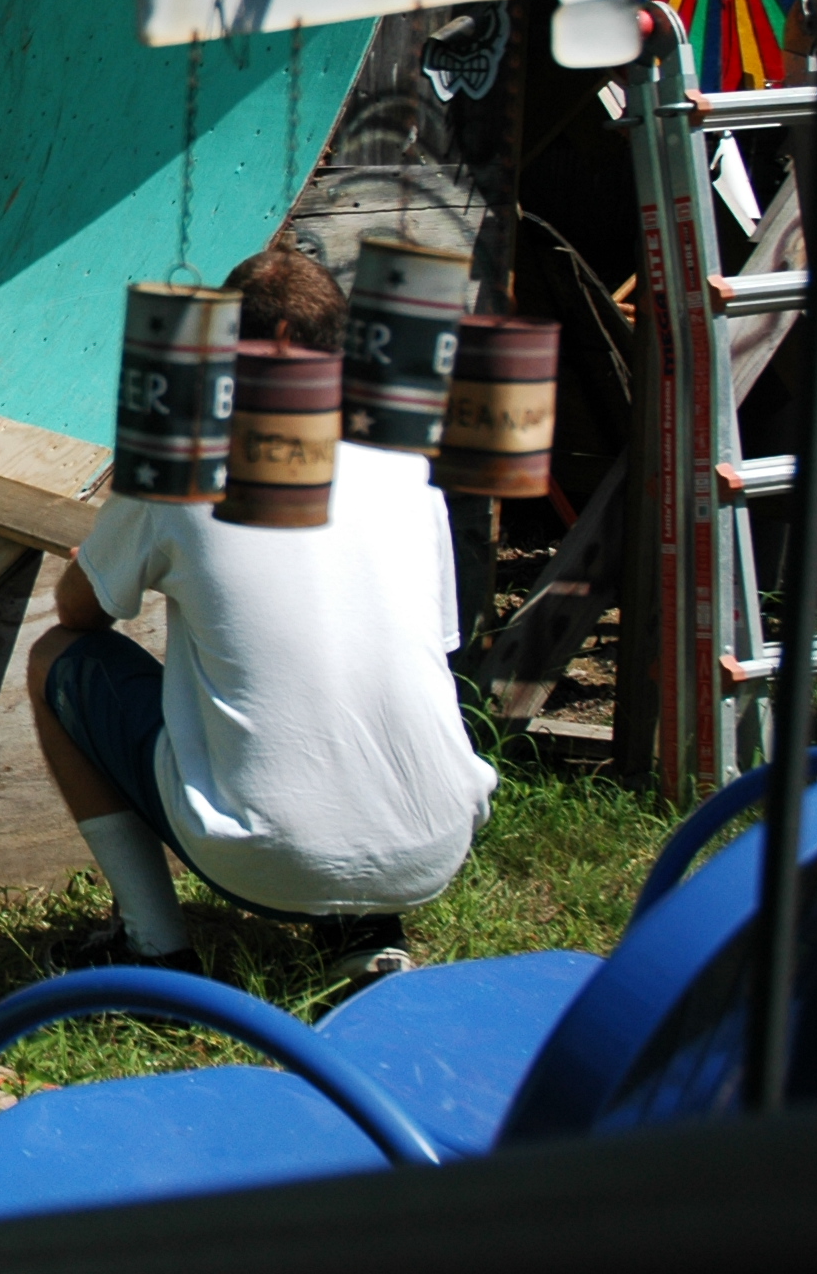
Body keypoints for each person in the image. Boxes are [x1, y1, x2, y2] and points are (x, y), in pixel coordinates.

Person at [28, 246, 495, 984]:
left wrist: (118, 550)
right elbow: (432, 645)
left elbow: (79, 612)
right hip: (434, 846)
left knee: (55, 659)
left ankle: (152, 945)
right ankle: (367, 930)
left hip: (264, 856)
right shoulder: (409, 472)